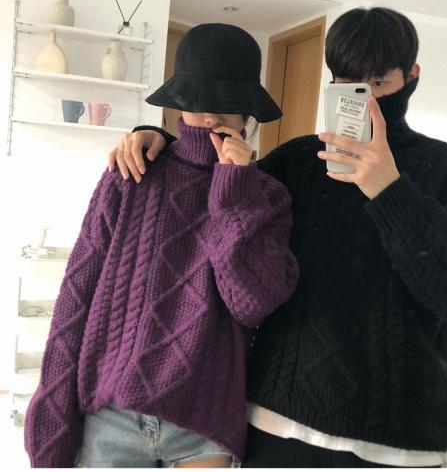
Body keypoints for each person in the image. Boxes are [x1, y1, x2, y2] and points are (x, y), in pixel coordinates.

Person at [105, 6, 447, 470]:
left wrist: (390, 191)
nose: (362, 99)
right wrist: (156, 138)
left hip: (399, 442)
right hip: (276, 422)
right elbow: (210, 195)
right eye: (346, 82)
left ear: (411, 77)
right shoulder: (296, 161)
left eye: (378, 83)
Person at [24, 24, 299, 469]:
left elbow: (251, 305)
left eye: (225, 105)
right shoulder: (132, 173)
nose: (209, 118)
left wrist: (234, 193)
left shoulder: (266, 196)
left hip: (206, 426)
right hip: (113, 416)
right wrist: (53, 418)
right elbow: (77, 295)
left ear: (248, 112)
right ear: (179, 105)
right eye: (198, 103)